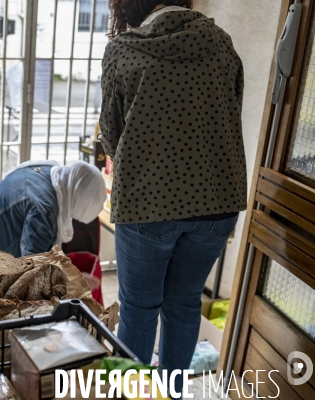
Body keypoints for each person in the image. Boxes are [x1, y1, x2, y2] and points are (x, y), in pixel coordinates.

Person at [100, 0, 246, 396]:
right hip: (217, 205)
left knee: (138, 309)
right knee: (183, 306)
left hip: (148, 204)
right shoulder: (222, 44)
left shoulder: (125, 49)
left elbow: (111, 135)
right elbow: (231, 112)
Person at [0, 161, 106, 257]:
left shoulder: (48, 171)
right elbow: (32, 265)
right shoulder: (45, 210)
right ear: (79, 198)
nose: (73, 216)